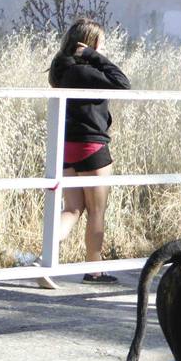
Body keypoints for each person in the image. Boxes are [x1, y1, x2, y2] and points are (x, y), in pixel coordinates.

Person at [48, 18, 131, 284]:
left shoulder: (60, 70)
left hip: (66, 146)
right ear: (89, 43)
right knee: (97, 211)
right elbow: (122, 83)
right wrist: (95, 56)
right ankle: (95, 268)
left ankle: (45, 257)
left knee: (72, 209)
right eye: (100, 43)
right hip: (91, 145)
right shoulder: (85, 72)